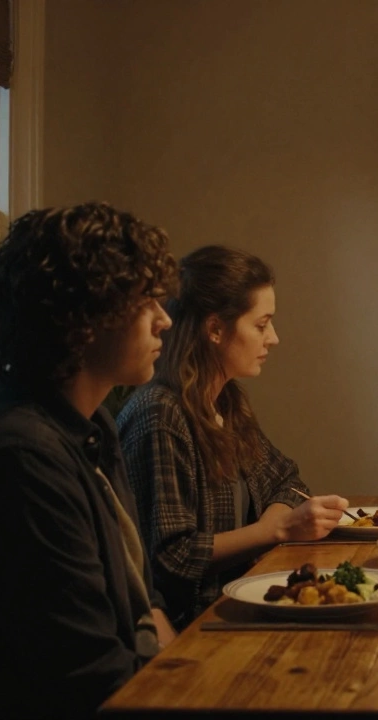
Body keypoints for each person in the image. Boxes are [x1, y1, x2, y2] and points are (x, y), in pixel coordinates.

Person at [0, 202, 180, 717]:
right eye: (146, 301)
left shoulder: (87, 424)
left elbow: (143, 601)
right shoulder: (18, 460)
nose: (165, 319)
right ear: (84, 316)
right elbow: (89, 680)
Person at [117, 246, 347, 629]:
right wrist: (277, 529)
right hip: (194, 626)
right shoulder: (161, 414)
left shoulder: (225, 400)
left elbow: (287, 480)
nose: (273, 338)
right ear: (215, 329)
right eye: (261, 325)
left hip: (242, 604)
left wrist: (280, 523)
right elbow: (171, 558)